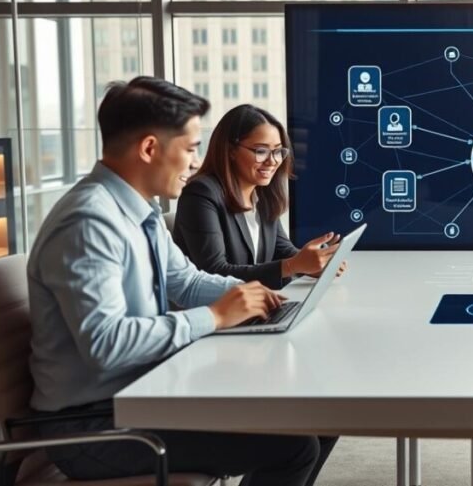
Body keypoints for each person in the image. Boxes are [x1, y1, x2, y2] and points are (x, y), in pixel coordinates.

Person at [27, 77, 334, 485]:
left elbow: (186, 283)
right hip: (95, 427)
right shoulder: (89, 223)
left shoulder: (140, 212)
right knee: (293, 445)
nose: (195, 162)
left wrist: (252, 296)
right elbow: (106, 344)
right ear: (150, 148)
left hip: (146, 395)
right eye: (189, 149)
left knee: (320, 414)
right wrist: (214, 317)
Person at [173, 104, 340, 290]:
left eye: (278, 151)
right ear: (231, 150)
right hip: (220, 312)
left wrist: (316, 264)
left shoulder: (262, 192)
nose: (273, 161)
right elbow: (214, 272)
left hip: (255, 305)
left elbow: (281, 249)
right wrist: (295, 265)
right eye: (261, 151)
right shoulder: (200, 194)